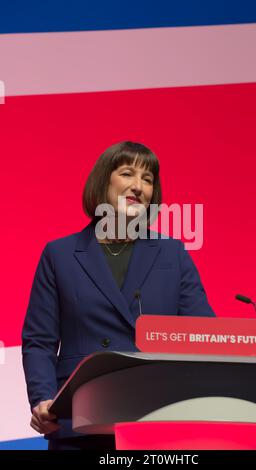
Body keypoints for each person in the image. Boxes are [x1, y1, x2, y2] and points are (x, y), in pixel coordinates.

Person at [22, 141, 215, 450]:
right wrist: (43, 399)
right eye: (128, 174)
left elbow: (204, 334)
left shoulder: (173, 253)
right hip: (79, 418)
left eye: (148, 179)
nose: (138, 186)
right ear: (104, 182)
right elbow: (39, 341)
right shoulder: (59, 254)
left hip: (155, 418)